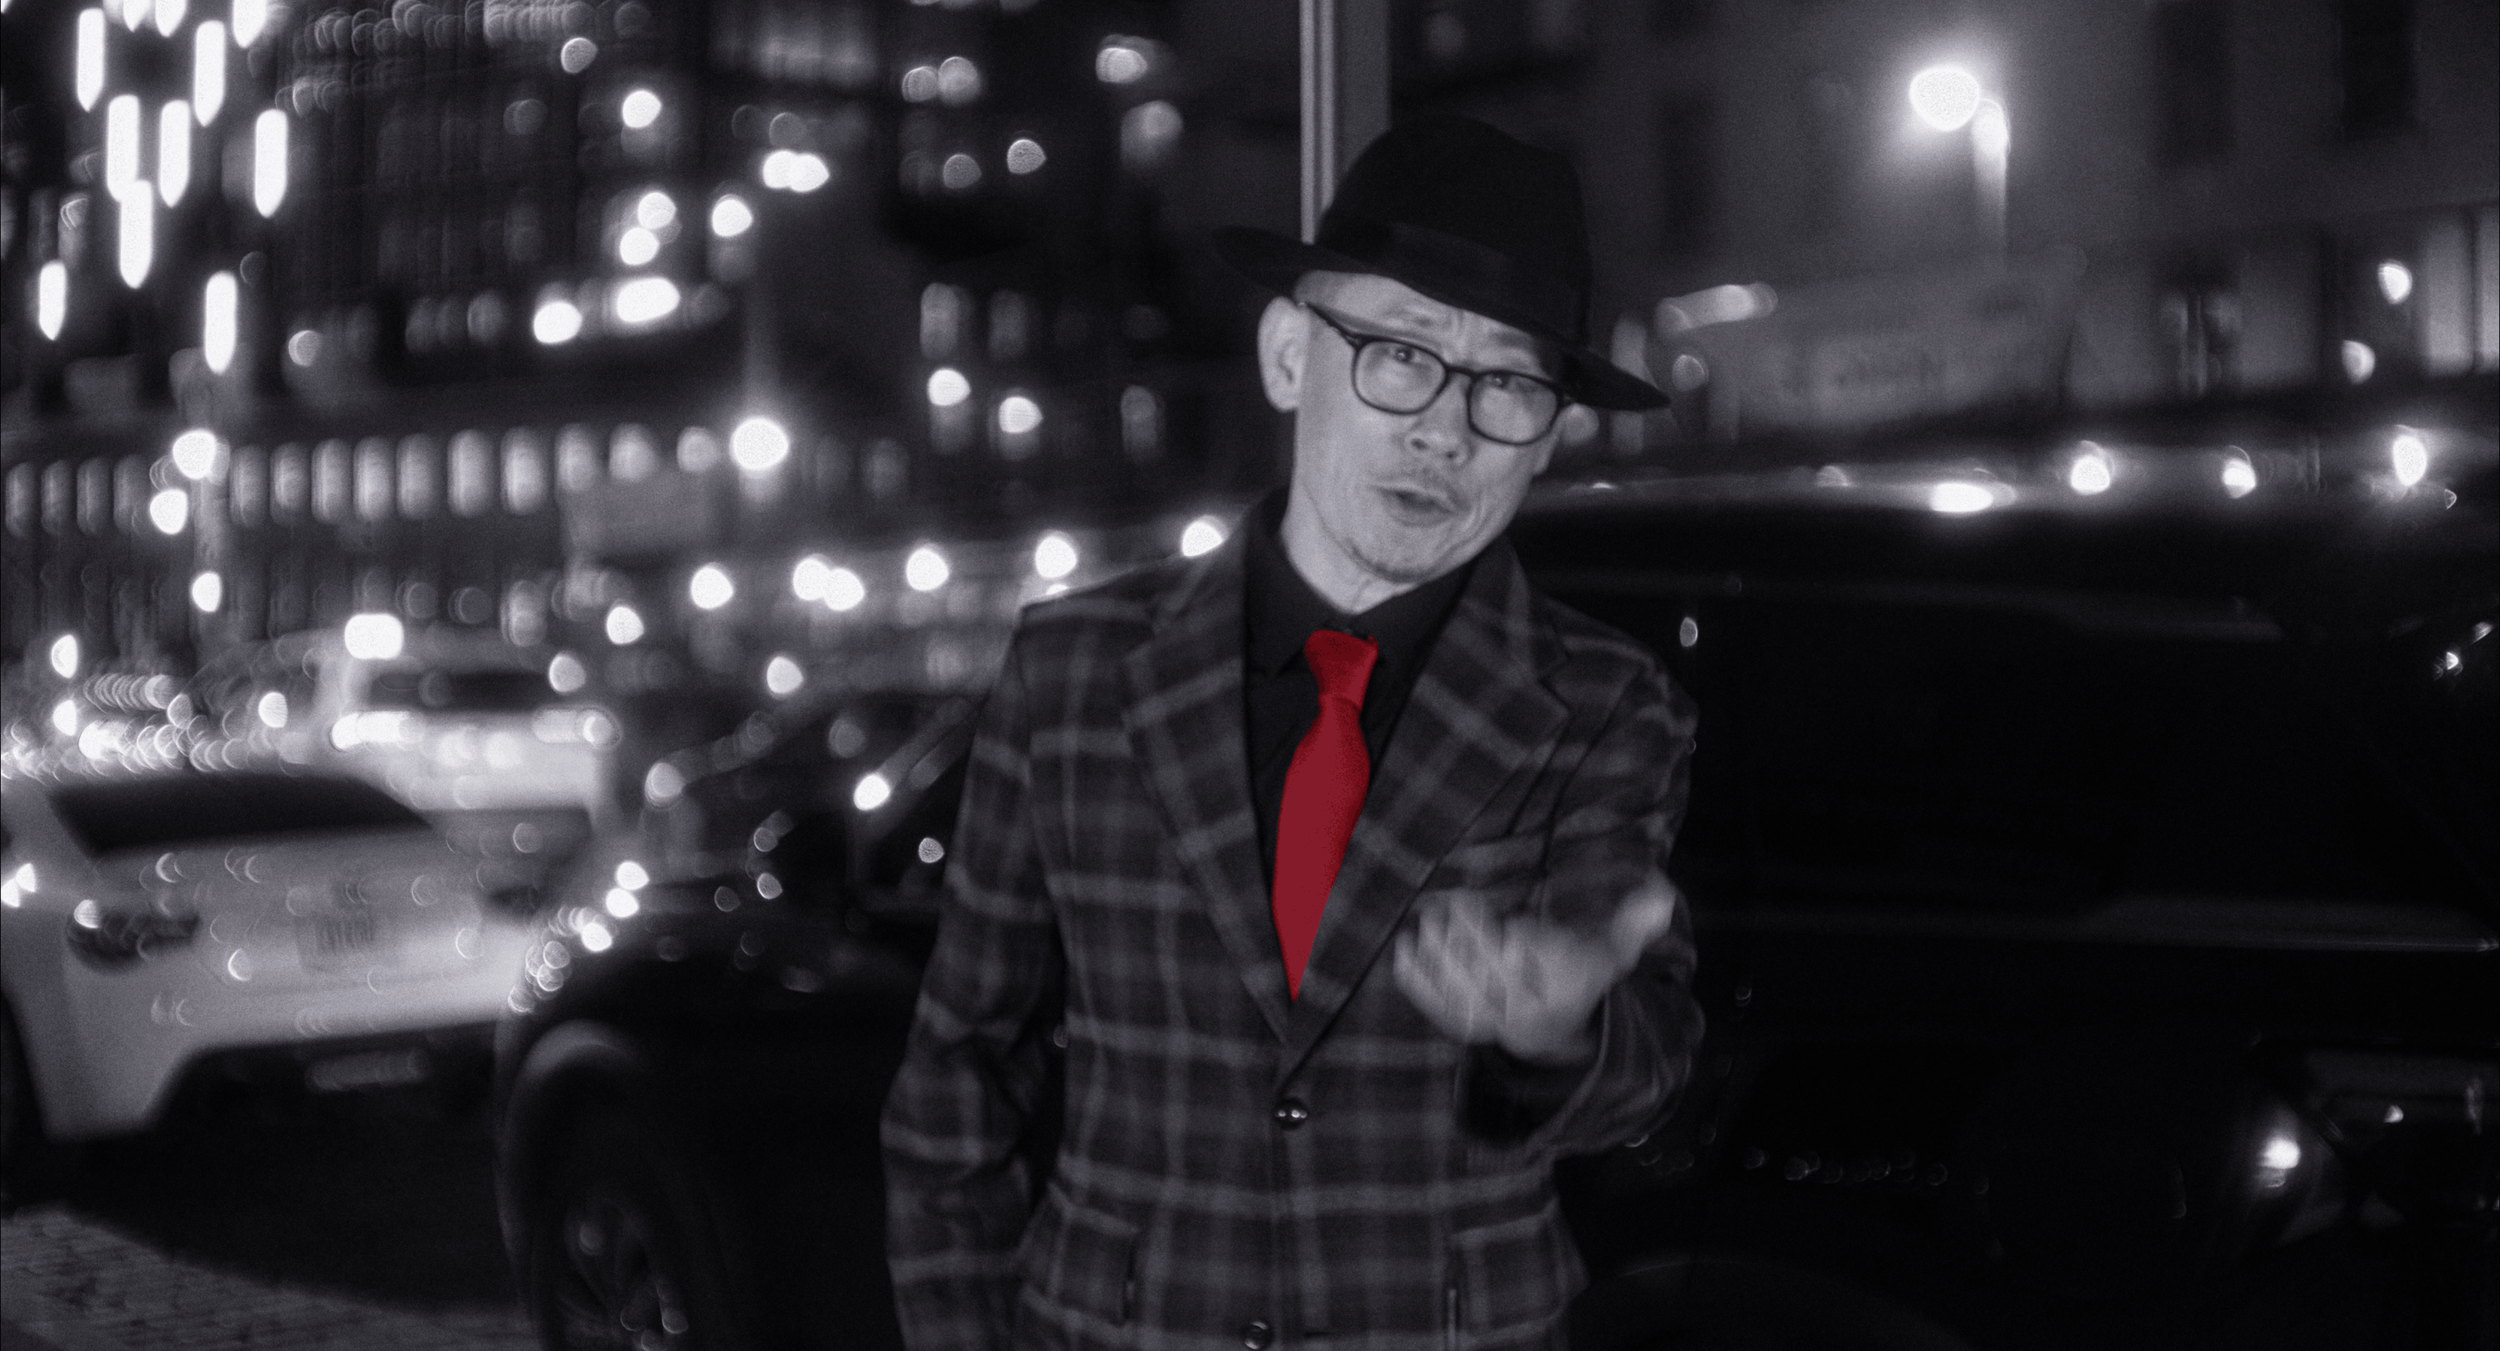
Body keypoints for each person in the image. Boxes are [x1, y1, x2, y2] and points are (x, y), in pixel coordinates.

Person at [881, 114, 1703, 1351]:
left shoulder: (1602, 702)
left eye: (1510, 385)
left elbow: (1648, 1051)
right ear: (1286, 354)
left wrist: (1558, 1029)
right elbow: (959, 1063)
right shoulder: (1074, 670)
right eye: (1400, 354)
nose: (1447, 428)